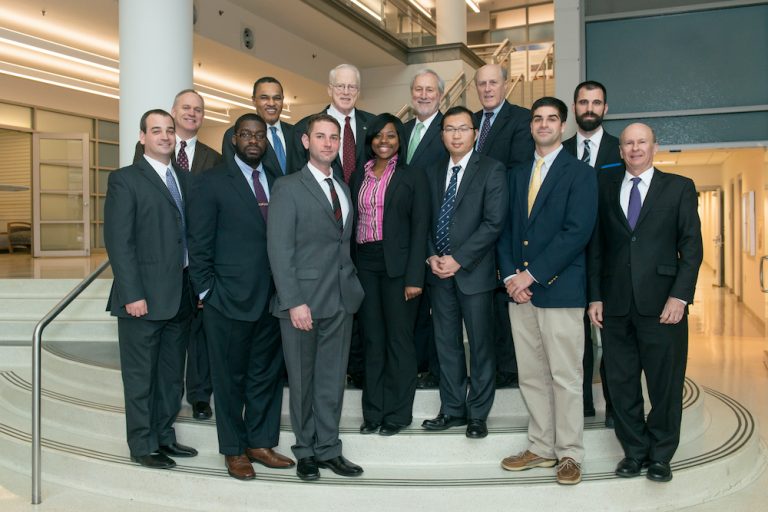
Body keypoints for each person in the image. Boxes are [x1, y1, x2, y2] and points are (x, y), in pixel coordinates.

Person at [587, 123, 703, 483]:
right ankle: (634, 452)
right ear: (620, 151)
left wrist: (680, 296)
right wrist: (595, 296)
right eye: (628, 144)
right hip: (616, 306)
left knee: (664, 385)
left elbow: (692, 248)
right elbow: (597, 248)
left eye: (642, 142)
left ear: (655, 147)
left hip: (663, 306)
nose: (635, 148)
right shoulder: (604, 187)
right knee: (620, 384)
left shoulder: (679, 188)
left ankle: (661, 455)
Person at [187, 113, 294, 480]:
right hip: (227, 298)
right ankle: (233, 450)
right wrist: (206, 290)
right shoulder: (211, 182)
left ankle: (261, 443)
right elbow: (198, 242)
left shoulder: (279, 182)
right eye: (245, 135)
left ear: (266, 141)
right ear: (234, 139)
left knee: (265, 375)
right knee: (229, 378)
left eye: (259, 135)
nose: (253, 140)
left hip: (273, 297)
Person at [496, 97, 597, 486]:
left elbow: (577, 233)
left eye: (551, 119)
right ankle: (540, 446)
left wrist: (531, 275)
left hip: (559, 290)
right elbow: (504, 229)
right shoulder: (516, 173)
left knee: (565, 376)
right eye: (537, 119)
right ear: (531, 126)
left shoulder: (580, 173)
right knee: (531, 375)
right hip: (519, 293)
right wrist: (510, 276)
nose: (543, 124)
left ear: (563, 125)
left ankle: (570, 453)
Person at [268, 113, 365, 481]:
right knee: (304, 382)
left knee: (331, 381)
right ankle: (305, 450)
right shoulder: (288, 186)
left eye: (333, 137)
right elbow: (279, 249)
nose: (327, 143)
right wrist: (293, 301)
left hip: (341, 299)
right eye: (320, 136)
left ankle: (329, 449)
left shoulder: (342, 185)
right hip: (303, 303)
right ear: (306, 142)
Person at [104, 109, 197, 469]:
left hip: (181, 296)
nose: (165, 136)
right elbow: (119, 241)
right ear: (142, 137)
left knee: (171, 377)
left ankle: (164, 436)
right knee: (141, 377)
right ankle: (142, 445)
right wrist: (132, 293)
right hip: (141, 298)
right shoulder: (125, 179)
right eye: (156, 131)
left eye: (170, 130)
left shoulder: (185, 180)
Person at [132, 89, 222, 421]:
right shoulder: (143, 160)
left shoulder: (214, 158)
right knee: (160, 355)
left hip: (194, 263)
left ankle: (199, 396)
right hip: (158, 272)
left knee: (198, 336)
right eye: (186, 108)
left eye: (199, 109)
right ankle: (157, 420)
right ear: (173, 112)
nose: (192, 114)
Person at [421, 106, 508, 439]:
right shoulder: (431, 171)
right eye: (449, 129)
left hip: (475, 273)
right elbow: (424, 220)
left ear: (474, 133)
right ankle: (452, 409)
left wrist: (458, 258)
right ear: (442, 135)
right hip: (438, 273)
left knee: (482, 345)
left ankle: (478, 414)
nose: (456, 135)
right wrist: (431, 255)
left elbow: (493, 223)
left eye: (463, 128)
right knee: (446, 344)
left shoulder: (491, 169)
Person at [290, 64, 374, 389]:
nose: (346, 91)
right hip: (319, 242)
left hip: (361, 236)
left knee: (354, 307)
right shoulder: (307, 127)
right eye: (340, 86)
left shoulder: (370, 125)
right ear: (329, 88)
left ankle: (356, 367)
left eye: (352, 87)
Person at [352, 113, 429, 436]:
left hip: (399, 268)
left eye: (391, 135)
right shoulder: (359, 175)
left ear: (399, 140)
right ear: (370, 140)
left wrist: (415, 277)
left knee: (399, 340)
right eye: (378, 136)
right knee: (373, 340)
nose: (384, 141)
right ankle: (373, 412)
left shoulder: (413, 176)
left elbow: (420, 227)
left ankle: (397, 414)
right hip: (365, 263)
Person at [562, 80, 624, 426]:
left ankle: (615, 407)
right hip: (572, 259)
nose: (589, 108)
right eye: (583, 102)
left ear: (605, 109)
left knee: (613, 340)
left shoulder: (620, 149)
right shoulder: (560, 150)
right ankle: (583, 405)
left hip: (613, 261)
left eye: (596, 102)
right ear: (574, 108)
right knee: (576, 342)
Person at [473, 64, 536, 389]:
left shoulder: (522, 119)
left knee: (506, 301)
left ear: (505, 84)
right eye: (481, 84)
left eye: (493, 83)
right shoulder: (469, 122)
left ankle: (508, 370)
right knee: (482, 304)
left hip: (505, 221)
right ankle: (489, 369)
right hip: (472, 229)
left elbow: (516, 172)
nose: (487, 89)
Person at [403, 68, 449, 390]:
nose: (423, 95)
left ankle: (433, 370)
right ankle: (414, 365)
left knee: (437, 309)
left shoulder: (449, 131)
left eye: (429, 90)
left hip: (436, 231)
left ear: (441, 95)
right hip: (402, 234)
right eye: (418, 89)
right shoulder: (400, 130)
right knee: (412, 307)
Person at [222, 77, 295, 179]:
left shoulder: (296, 133)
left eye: (277, 98)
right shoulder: (235, 134)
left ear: (283, 100)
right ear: (254, 100)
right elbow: (230, 176)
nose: (271, 103)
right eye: (264, 97)